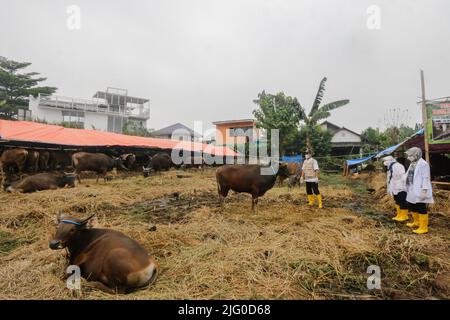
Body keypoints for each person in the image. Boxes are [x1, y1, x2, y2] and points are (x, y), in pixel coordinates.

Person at [404, 147, 433, 234]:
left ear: (416, 154)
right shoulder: (412, 163)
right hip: (411, 188)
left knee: (421, 207)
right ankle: (416, 222)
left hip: (419, 189)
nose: (409, 157)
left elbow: (426, 177)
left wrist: (424, 190)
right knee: (412, 205)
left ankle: (423, 227)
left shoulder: (423, 164)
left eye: (411, 155)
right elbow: (407, 175)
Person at [381, 155, 408, 221]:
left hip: (401, 187)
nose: (385, 162)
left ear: (390, 161)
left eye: (385, 161)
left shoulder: (398, 166)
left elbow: (403, 177)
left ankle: (404, 216)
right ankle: (399, 214)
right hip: (394, 187)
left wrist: (402, 186)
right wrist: (389, 188)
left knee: (402, 201)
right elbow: (390, 178)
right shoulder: (390, 167)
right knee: (397, 201)